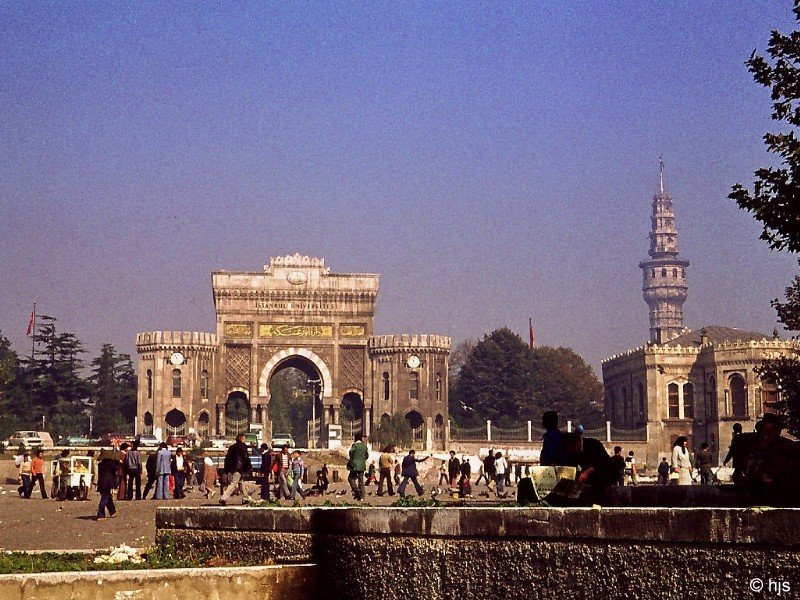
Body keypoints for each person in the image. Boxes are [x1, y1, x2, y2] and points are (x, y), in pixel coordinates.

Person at [220, 433, 253, 505]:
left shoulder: (232, 447)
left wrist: (227, 469)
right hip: (239, 467)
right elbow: (245, 457)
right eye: (244, 438)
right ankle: (223, 498)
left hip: (233, 467)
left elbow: (227, 459)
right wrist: (249, 466)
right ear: (241, 438)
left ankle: (245, 498)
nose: (245, 440)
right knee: (234, 483)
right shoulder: (243, 447)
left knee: (241, 482)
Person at [96, 449, 118, 520]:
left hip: (101, 483)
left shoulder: (101, 464)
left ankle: (112, 511)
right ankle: (100, 514)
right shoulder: (111, 464)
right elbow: (116, 468)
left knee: (108, 498)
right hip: (108, 483)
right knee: (105, 498)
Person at [347, 434, 369, 501]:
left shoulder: (355, 445)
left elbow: (351, 452)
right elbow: (367, 456)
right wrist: (362, 460)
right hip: (362, 465)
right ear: (361, 439)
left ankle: (356, 490)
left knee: (351, 478)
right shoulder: (364, 446)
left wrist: (353, 459)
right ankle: (362, 496)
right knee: (361, 481)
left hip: (355, 465)